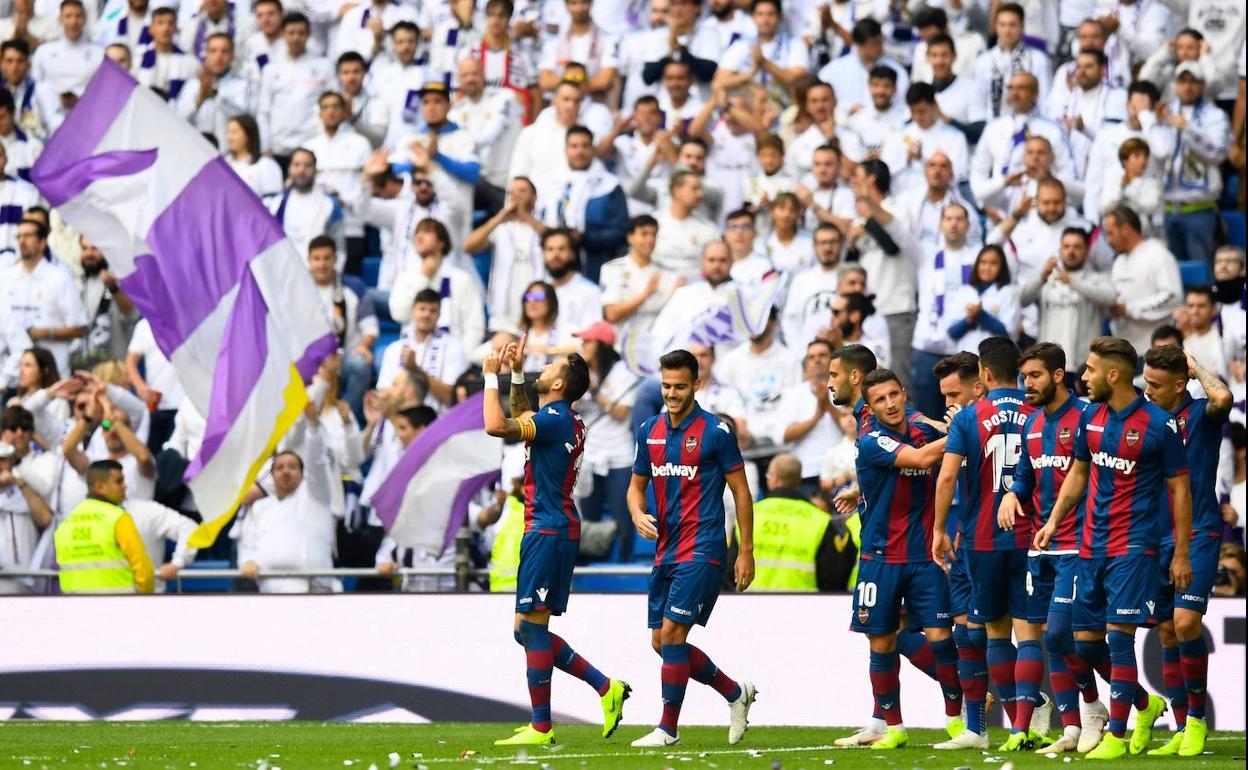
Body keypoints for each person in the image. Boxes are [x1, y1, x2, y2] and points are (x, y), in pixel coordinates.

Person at [1033, 336, 1190, 759]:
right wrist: (1053, 521)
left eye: (1089, 369)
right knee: (1085, 643)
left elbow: (1179, 490)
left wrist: (1180, 551)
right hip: (1090, 545)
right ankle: (1145, 703)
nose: (1083, 377)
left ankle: (1116, 737)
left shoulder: (1159, 424)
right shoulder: (1092, 419)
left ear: (1113, 374)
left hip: (1133, 547)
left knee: (1119, 639)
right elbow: (1079, 472)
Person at [480, 334, 630, 746]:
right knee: (525, 630)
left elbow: (497, 425)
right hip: (549, 527)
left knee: (532, 629)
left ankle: (542, 726)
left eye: (551, 366)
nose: (542, 368)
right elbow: (523, 413)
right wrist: (514, 372)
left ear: (560, 384)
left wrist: (490, 377)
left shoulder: (556, 419)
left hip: (548, 529)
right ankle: (605, 687)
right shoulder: (562, 419)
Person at [627, 348, 757, 748]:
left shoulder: (716, 431)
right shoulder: (650, 429)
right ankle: (735, 692)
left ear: (696, 384)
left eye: (680, 386)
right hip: (666, 549)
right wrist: (636, 514)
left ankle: (667, 728)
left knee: (672, 635)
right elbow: (635, 487)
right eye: (666, 386)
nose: (672, 393)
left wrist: (746, 550)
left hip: (703, 547)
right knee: (661, 643)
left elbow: (741, 491)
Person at [933, 337, 1047, 751]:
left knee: (996, 633)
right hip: (1032, 535)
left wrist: (939, 528)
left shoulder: (967, 418)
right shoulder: (1038, 410)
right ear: (1018, 370)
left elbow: (946, 477)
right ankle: (1022, 728)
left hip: (983, 538)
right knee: (1029, 632)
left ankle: (1006, 728)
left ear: (983, 373)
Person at [999, 343, 1110, 754]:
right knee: (1052, 638)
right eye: (1024, 376)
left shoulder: (1087, 417)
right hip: (1041, 545)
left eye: (1035, 376)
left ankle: (1116, 705)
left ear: (1058, 375)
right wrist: (1013, 494)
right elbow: (1026, 475)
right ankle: (1072, 727)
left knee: (1065, 635)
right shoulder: (1030, 423)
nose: (1027, 384)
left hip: (1079, 545)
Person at [848, 368, 959, 750]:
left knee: (942, 639)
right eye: (880, 400)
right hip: (879, 557)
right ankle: (893, 726)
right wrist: (961, 431)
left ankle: (956, 722)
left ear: (904, 392)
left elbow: (932, 436)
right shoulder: (871, 439)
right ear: (871, 406)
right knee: (881, 643)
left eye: (894, 394)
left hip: (923, 555)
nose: (890, 403)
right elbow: (924, 457)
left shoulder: (921, 426)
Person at [1139, 346, 1232, 757]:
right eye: (1145, 382)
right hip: (1153, 536)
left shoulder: (1200, 416)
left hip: (1198, 533)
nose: (1148, 390)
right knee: (1165, 628)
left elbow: (1223, 398)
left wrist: (1197, 368)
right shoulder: (1146, 419)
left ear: (1180, 384)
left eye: (1156, 385)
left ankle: (1196, 721)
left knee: (1186, 622)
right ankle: (1179, 725)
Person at [235, 403, 339, 593]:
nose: (286, 471)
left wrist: (313, 428)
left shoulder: (315, 496)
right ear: (272, 475)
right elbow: (247, 545)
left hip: (314, 590)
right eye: (280, 467)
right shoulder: (260, 508)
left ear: (302, 473)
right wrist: (246, 562)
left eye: (292, 466)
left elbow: (317, 464)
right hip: (271, 592)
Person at [575, 321, 641, 562]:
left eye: (587, 341)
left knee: (623, 517)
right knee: (587, 518)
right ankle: (586, 569)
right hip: (589, 455)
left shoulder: (622, 372)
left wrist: (593, 390)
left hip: (618, 455)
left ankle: (624, 565)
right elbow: (570, 407)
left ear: (601, 345)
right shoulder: (580, 371)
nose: (582, 345)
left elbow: (622, 412)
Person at [1155, 61, 1231, 267]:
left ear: (1202, 85)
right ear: (1175, 84)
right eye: (1182, 81)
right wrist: (1156, 125)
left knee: (1201, 273)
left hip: (1199, 208)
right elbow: (1158, 153)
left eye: (1193, 81)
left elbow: (1217, 154)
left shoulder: (1215, 116)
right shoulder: (1165, 114)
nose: (1187, 87)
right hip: (1169, 208)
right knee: (1173, 273)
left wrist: (1187, 129)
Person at [536, 126, 627, 283]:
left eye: (585, 146)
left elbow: (621, 231)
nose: (579, 151)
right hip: (554, 268)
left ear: (593, 149)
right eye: (574, 146)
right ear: (566, 150)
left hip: (596, 265)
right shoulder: (551, 184)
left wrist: (584, 237)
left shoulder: (609, 185)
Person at [1018, 227, 1117, 367]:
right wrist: (1041, 277)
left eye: (1077, 247)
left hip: (1083, 363)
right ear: (1060, 250)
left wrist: (1073, 282)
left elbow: (1110, 298)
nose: (1071, 251)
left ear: (1087, 251)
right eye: (1066, 246)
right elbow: (1021, 300)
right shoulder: (1046, 279)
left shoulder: (1096, 279)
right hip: (1048, 362)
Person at [0, 219, 87, 379]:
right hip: (10, 377)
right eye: (19, 236)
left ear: (42, 242)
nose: (22, 241)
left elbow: (80, 327)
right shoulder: (6, 278)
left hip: (51, 376)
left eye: (27, 236)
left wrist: (46, 332)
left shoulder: (59, 278)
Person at [54, 459, 154, 594]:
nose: (125, 486)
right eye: (119, 481)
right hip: (117, 608)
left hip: (76, 608)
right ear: (100, 487)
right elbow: (143, 570)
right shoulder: (118, 518)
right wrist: (145, 601)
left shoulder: (66, 523)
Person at [388, 217, 486, 354]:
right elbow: (399, 315)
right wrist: (423, 277)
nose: (419, 236)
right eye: (417, 233)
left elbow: (474, 326)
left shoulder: (461, 279)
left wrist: (461, 358)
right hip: (413, 355)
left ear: (441, 242)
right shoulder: (405, 278)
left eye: (426, 231)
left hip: (454, 357)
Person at [749, 453, 843, 592]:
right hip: (804, 607)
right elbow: (832, 576)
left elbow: (730, 568)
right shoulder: (820, 520)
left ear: (774, 478)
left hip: (751, 605)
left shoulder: (750, 515)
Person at [307, 236, 377, 419]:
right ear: (309, 260)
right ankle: (309, 419)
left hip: (345, 359)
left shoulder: (355, 287)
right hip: (311, 362)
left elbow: (370, 328)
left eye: (326, 258)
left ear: (335, 259)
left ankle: (345, 418)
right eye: (317, 258)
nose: (321, 264)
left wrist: (363, 346)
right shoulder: (298, 289)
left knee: (361, 365)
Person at [304, 91, 373, 274]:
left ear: (344, 111)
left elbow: (367, 184)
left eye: (335, 107)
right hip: (318, 224)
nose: (331, 112)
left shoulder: (360, 143)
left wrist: (346, 200)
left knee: (350, 277)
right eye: (325, 108)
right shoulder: (310, 146)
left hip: (351, 222)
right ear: (319, 113)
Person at [467, 177, 547, 327]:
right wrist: (498, 218)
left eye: (522, 191)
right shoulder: (501, 228)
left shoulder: (543, 224)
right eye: (512, 192)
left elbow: (555, 238)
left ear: (534, 197)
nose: (516, 196)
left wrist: (526, 217)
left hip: (537, 310)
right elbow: (469, 246)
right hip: (503, 314)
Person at [1103, 205, 1183, 353]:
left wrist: (1129, 309)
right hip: (1124, 348)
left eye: (1111, 233)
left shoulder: (1157, 255)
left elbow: (1172, 296)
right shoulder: (1119, 261)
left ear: (1125, 229)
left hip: (1152, 349)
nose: (1108, 240)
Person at [257, 12, 332, 168]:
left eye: (301, 33)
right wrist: (265, 147)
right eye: (291, 33)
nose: (296, 38)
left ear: (308, 34)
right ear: (283, 34)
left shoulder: (323, 66)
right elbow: (263, 111)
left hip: (312, 144)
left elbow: (332, 104)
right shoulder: (271, 69)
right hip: (278, 147)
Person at [377, 288, 467, 412]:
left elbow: (453, 397)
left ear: (439, 315)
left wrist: (416, 370)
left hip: (438, 422)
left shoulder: (454, 347)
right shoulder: (394, 349)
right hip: (400, 424)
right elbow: (384, 394)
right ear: (412, 311)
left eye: (432, 310)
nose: (426, 315)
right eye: (422, 309)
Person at [599, 214, 679, 337]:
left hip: (655, 347)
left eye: (654, 235)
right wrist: (646, 294)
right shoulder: (612, 269)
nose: (650, 240)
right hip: (620, 347)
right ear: (630, 237)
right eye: (644, 234)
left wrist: (677, 297)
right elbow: (611, 314)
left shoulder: (668, 273)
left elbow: (672, 318)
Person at [973, 3, 1051, 121]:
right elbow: (979, 99)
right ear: (995, 27)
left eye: (1012, 25)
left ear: (1022, 26)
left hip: (1031, 126)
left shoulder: (1038, 59)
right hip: (994, 127)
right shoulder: (984, 61)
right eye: (1002, 25)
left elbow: (1045, 98)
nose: (1007, 30)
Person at [267, 148, 344, 262]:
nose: (301, 170)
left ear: (315, 170)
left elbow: (340, 250)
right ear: (289, 168)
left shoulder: (330, 205)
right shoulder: (275, 204)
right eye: (296, 165)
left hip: (316, 274)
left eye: (307, 165)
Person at [946, 245, 1019, 354]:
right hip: (965, 357)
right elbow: (952, 332)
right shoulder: (965, 291)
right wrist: (969, 319)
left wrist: (981, 315)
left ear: (1002, 267)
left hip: (995, 358)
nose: (987, 268)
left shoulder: (1007, 292)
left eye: (993, 263)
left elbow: (1008, 331)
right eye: (983, 262)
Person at [133, 7, 200, 102]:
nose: (166, 28)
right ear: (151, 29)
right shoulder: (137, 59)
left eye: (170, 23)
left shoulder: (190, 62)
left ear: (176, 28)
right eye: (160, 23)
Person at [223, 114, 283, 198]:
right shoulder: (224, 163)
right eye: (228, 132)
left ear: (248, 134)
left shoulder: (266, 165)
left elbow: (272, 201)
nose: (230, 137)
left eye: (235, 132)